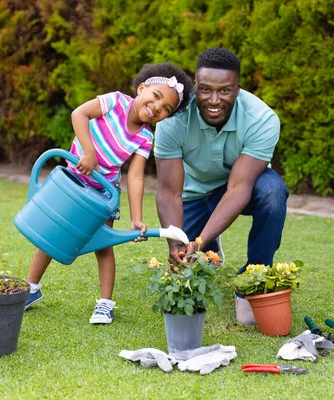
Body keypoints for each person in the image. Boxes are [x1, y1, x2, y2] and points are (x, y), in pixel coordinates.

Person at [25, 62, 193, 325]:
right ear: (142, 88)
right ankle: (31, 289)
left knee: (103, 246)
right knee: (51, 236)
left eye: (165, 109)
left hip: (104, 195)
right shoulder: (114, 102)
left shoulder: (145, 138)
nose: (157, 108)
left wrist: (136, 218)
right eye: (156, 97)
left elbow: (135, 176)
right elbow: (78, 114)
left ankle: (105, 305)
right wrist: (89, 152)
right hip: (72, 183)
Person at [154, 48, 289, 325]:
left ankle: (255, 274)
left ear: (238, 89)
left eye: (225, 91)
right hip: (195, 193)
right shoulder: (172, 118)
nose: (214, 100)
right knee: (190, 266)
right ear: (195, 86)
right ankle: (211, 247)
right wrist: (176, 242)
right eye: (205, 90)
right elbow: (169, 191)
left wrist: (199, 241)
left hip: (244, 188)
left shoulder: (262, 119)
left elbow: (239, 188)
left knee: (274, 194)